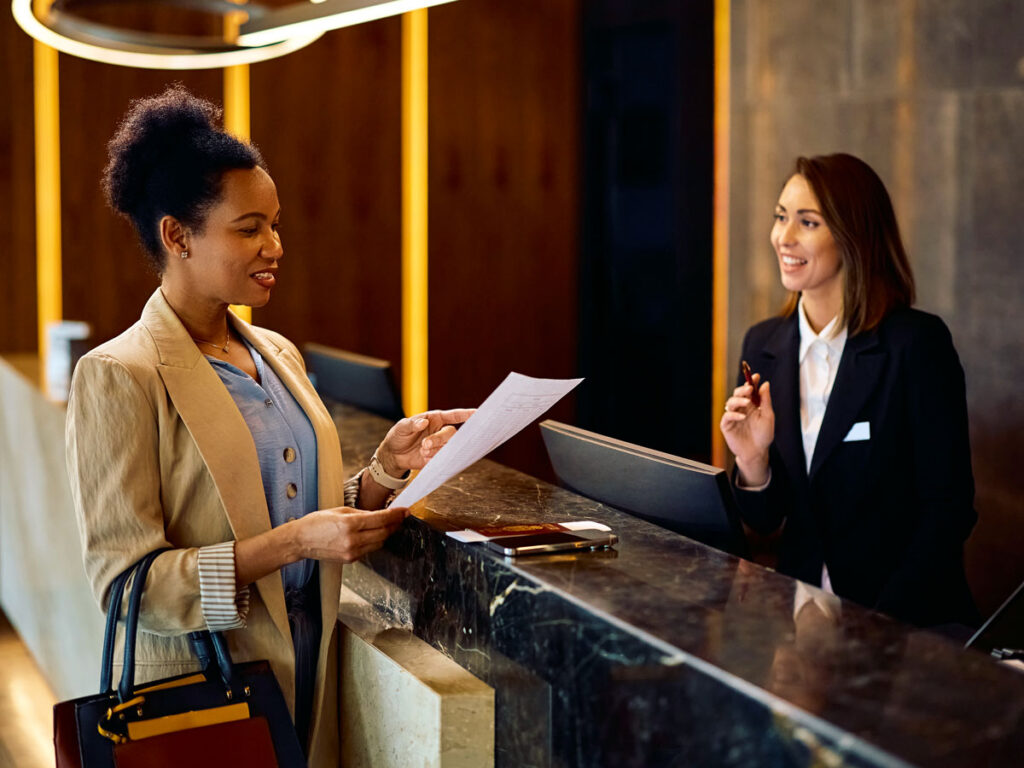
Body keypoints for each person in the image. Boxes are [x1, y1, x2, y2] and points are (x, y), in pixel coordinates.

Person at [65, 85, 471, 767]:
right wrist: (288, 546)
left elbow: (295, 510)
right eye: (249, 228)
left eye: (276, 225)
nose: (274, 245)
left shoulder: (276, 352)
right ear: (177, 235)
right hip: (205, 697)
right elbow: (127, 585)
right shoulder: (121, 373)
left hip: (310, 678)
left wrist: (384, 473)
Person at [720, 153, 978, 628]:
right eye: (781, 218)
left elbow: (949, 511)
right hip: (799, 625)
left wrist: (875, 627)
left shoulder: (915, 345)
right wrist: (752, 462)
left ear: (851, 236)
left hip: (903, 627)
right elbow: (764, 520)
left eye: (808, 222)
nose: (784, 237)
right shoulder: (763, 345)